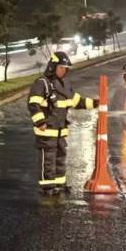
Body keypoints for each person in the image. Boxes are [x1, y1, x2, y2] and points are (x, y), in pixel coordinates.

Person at [27, 52, 96, 190]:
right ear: (53, 67)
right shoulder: (42, 83)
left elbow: (77, 102)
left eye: (65, 68)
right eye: (61, 67)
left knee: (60, 156)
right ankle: (47, 186)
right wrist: (40, 122)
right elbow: (33, 103)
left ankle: (59, 182)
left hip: (60, 130)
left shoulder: (65, 84)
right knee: (48, 158)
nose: (64, 70)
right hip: (46, 130)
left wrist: (96, 103)